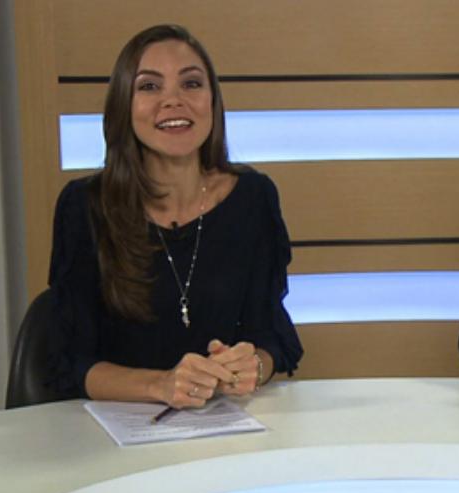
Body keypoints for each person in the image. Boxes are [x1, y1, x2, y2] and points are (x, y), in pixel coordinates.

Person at [47, 24, 302, 408]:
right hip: (114, 427)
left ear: (212, 100)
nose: (173, 101)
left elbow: (272, 337)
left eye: (191, 84)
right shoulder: (84, 206)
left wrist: (252, 366)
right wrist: (162, 385)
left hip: (222, 423)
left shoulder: (254, 197)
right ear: (123, 105)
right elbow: (70, 363)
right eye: (150, 86)